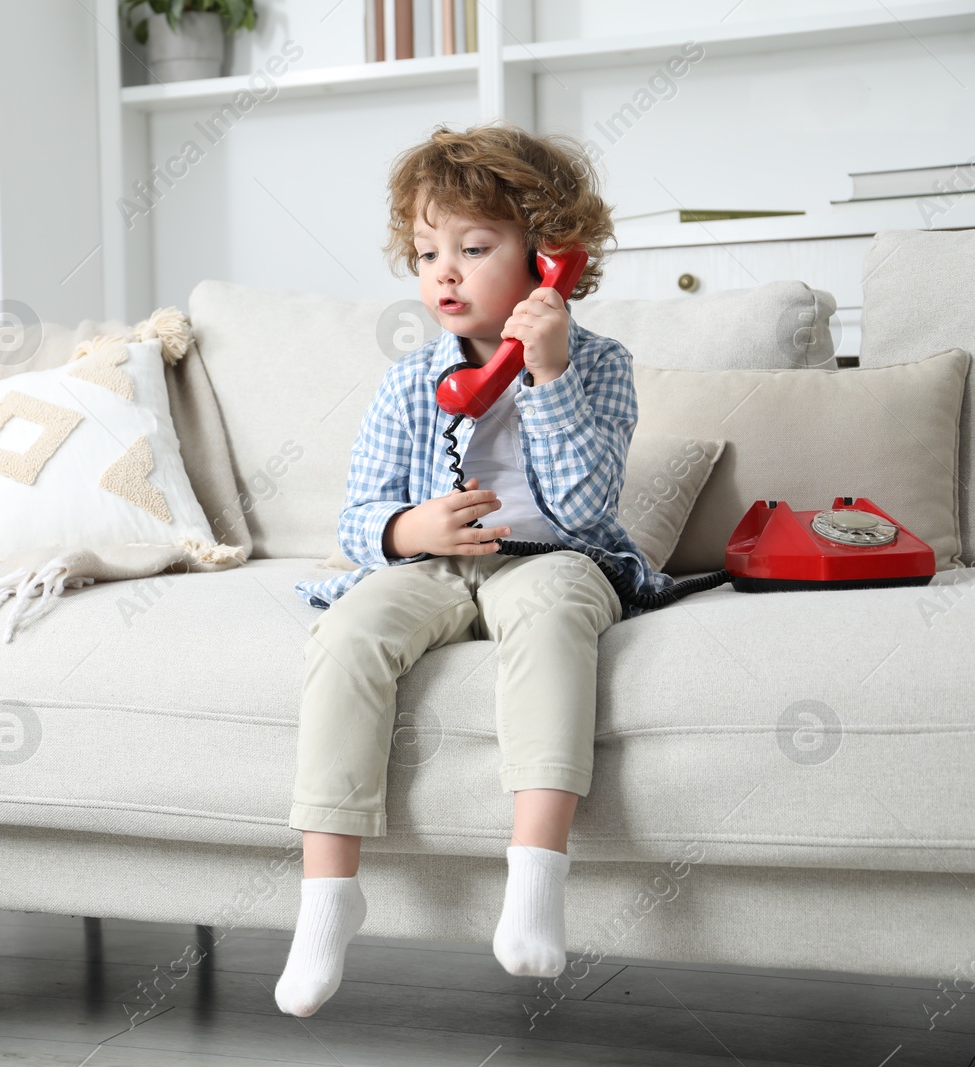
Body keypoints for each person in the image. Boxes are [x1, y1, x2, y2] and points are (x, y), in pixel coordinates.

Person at [275, 121, 671, 1018]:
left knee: (553, 617)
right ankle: (328, 897)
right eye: (426, 251)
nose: (443, 271)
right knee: (345, 636)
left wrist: (547, 373)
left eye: (474, 246)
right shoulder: (409, 381)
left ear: (548, 254)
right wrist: (411, 526)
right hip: (438, 565)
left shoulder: (599, 366)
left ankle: (535, 879)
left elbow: (585, 507)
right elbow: (358, 514)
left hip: (551, 556)